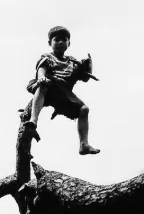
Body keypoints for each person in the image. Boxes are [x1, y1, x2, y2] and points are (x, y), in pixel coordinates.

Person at [25, 26, 100, 155]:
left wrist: (88, 66)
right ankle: (33, 120)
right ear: (50, 43)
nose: (60, 42)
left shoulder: (72, 62)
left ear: (68, 43)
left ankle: (84, 144)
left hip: (63, 93)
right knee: (43, 85)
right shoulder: (48, 57)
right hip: (48, 87)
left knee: (84, 109)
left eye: (64, 40)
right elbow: (41, 70)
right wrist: (42, 77)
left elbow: (85, 78)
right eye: (57, 40)